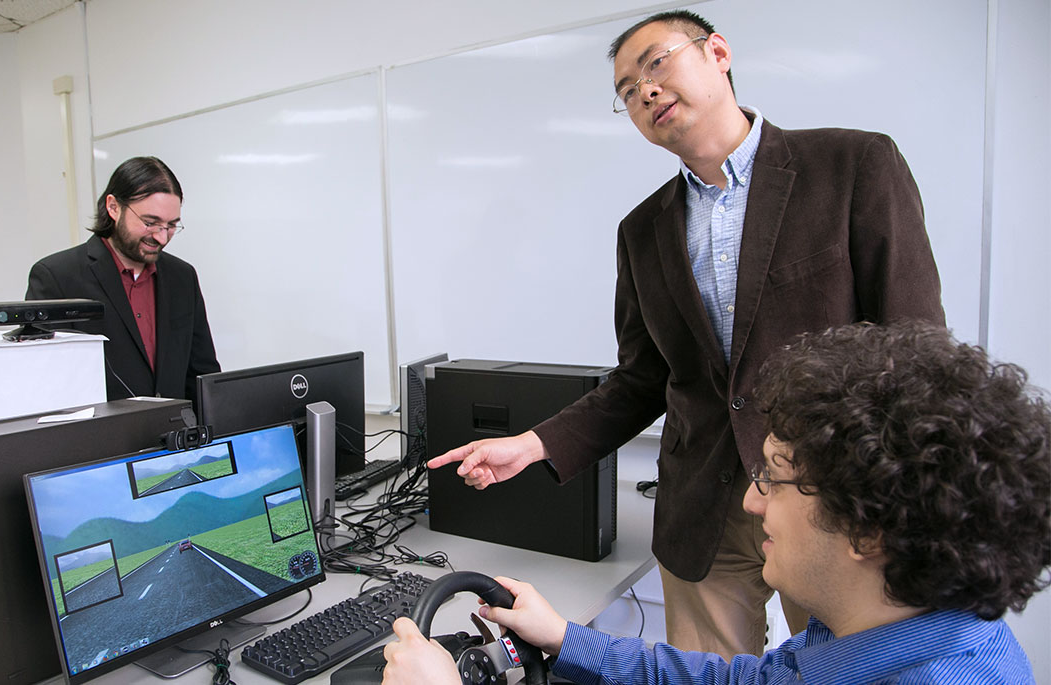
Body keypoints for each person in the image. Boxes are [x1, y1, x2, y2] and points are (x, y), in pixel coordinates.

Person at [428, 10, 944, 658]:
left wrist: (905, 501)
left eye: (656, 63)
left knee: (854, 668)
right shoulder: (642, 231)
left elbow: (918, 351)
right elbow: (643, 379)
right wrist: (534, 444)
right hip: (704, 504)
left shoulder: (852, 164)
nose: (641, 90)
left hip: (837, 497)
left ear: (718, 53)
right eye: (624, 89)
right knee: (701, 673)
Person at [386, 321, 1050, 684]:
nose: (753, 501)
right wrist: (566, 638)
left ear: (869, 531)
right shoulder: (886, 631)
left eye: (777, 477)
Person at [26, 156, 220, 402]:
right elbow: (47, 383)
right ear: (113, 207)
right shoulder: (57, 277)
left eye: (171, 225)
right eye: (150, 223)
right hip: (100, 437)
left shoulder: (182, 276)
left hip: (175, 435)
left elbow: (201, 374)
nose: (162, 237)